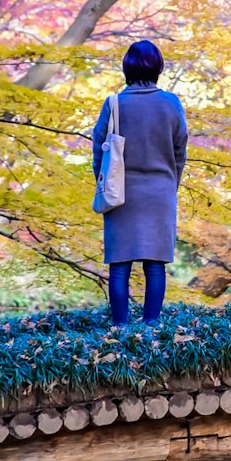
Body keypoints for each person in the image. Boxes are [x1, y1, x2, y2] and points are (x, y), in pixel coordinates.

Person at [92, 41, 188, 326]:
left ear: (127, 67)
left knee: (119, 266)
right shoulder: (171, 103)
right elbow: (180, 149)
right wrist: (171, 184)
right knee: (155, 264)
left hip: (121, 192)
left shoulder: (115, 104)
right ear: (158, 66)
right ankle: (151, 326)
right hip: (160, 192)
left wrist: (104, 183)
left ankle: (120, 328)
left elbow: (99, 149)